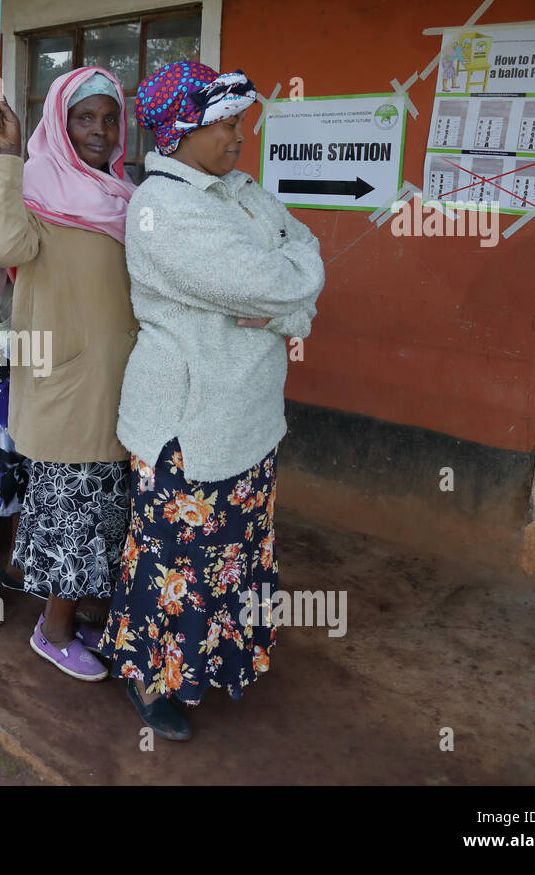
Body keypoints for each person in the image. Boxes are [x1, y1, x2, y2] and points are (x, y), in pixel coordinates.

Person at [101, 63, 325, 741]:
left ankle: (214, 662)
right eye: (226, 123)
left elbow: (302, 257)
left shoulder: (241, 191)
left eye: (239, 121)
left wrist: (289, 303)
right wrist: (290, 291)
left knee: (234, 554)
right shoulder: (162, 208)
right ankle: (148, 677)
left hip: (248, 416)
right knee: (175, 563)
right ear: (183, 129)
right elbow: (268, 278)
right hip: (189, 423)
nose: (239, 135)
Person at [0, 67, 137, 669]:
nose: (100, 130)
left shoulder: (119, 189)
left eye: (110, 117)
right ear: (60, 122)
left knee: (103, 508)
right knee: (74, 511)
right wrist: (9, 159)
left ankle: (73, 618)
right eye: (84, 117)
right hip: (64, 378)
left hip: (116, 378)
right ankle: (52, 631)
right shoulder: (37, 182)